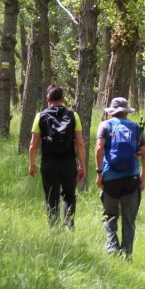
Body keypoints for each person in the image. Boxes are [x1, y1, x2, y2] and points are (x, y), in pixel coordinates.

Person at [95, 96, 145, 257]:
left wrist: (99, 173)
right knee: (129, 218)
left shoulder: (105, 125)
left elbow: (99, 148)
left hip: (110, 177)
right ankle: (127, 254)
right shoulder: (135, 128)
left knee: (109, 215)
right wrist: (142, 178)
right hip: (132, 178)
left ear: (112, 112)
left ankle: (112, 248)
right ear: (126, 112)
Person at [28, 84, 87, 229]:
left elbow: (33, 145)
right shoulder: (73, 115)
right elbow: (79, 143)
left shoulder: (40, 116)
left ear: (48, 99)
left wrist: (32, 164)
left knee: (51, 198)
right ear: (63, 99)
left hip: (49, 163)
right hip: (68, 163)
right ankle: (68, 227)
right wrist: (82, 166)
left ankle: (53, 231)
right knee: (69, 195)